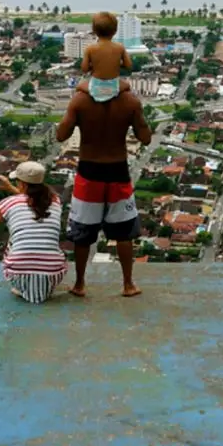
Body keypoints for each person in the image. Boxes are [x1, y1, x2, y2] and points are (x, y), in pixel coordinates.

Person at [55, 78, 153, 297]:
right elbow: (145, 138)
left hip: (89, 170)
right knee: (123, 232)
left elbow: (61, 135)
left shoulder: (80, 101)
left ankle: (80, 284)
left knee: (83, 232)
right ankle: (128, 284)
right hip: (117, 169)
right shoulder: (130, 101)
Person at [0, 161, 67, 304]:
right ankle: (42, 288)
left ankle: (22, 288)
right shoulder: (55, 201)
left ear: (22, 184)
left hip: (18, 273)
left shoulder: (9, 203)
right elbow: (31, 200)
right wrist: (11, 188)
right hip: (53, 273)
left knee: (13, 242)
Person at [80, 11, 132, 103]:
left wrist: (94, 66)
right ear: (115, 31)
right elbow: (128, 65)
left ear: (94, 31)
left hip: (96, 88)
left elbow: (84, 69)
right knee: (127, 86)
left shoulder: (90, 49)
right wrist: (117, 64)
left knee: (79, 86)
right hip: (113, 87)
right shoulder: (120, 47)